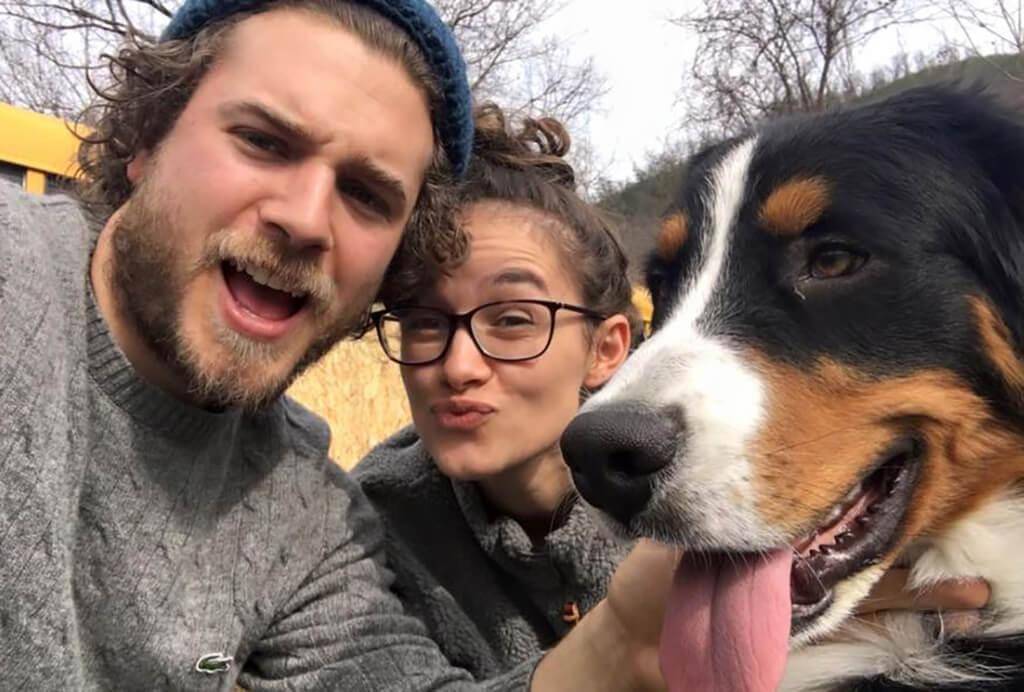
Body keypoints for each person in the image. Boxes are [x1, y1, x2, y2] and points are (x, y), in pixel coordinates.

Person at [0, 1, 676, 689]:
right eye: (263, 141)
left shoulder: (304, 519)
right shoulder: (15, 273)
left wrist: (623, 640)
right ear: (149, 139)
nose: (304, 219)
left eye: (366, 194)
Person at [354, 104, 994, 681]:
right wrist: (623, 640)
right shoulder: (361, 534)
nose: (458, 365)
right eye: (422, 322)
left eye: (515, 318)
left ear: (609, 347)